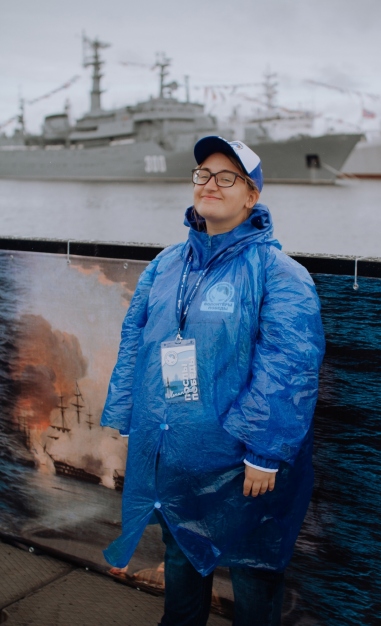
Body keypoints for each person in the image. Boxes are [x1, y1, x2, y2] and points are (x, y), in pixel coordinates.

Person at [101, 136, 325, 626]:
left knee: (253, 570)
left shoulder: (279, 273)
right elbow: (135, 340)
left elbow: (289, 365)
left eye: (228, 177)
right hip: (179, 452)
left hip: (244, 464)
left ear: (251, 196)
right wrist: (129, 415)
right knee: (181, 558)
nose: (211, 184)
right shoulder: (166, 265)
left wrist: (263, 452)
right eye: (203, 173)